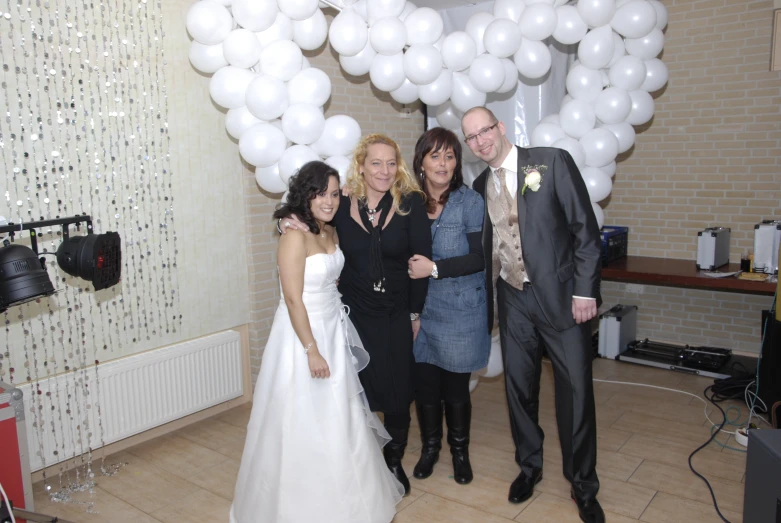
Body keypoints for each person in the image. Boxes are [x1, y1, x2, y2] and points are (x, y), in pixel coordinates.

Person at [231, 161, 404, 523]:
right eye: (320, 193)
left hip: (333, 329)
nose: (328, 201)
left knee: (341, 414)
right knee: (302, 419)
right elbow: (293, 299)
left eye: (333, 194)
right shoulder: (293, 235)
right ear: (305, 195)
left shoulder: (329, 230)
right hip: (302, 336)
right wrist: (311, 350)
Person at [461, 107, 605, 523]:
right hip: (513, 299)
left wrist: (584, 290)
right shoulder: (478, 183)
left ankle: (583, 485)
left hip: (563, 297)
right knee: (519, 389)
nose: (480, 141)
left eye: (485, 130)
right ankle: (530, 467)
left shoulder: (551, 161)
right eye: (471, 138)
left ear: (501, 128)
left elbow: (585, 230)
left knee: (575, 392)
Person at [279, 134, 432, 495]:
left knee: (398, 391)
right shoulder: (344, 200)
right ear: (361, 165)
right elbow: (309, 218)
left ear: (399, 167)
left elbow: (420, 262)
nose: (384, 170)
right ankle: (362, 458)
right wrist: (286, 221)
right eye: (375, 162)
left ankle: (394, 458)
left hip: (396, 312)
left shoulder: (411, 203)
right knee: (356, 391)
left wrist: (415, 313)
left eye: (391, 163)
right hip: (352, 314)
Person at [406, 127, 490, 486]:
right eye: (434, 155)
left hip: (460, 310)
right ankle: (430, 449)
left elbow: (478, 258)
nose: (443, 163)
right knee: (425, 388)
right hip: (420, 311)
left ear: (457, 163)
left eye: (450, 155)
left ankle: (459, 452)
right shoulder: (407, 202)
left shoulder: (470, 202)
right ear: (421, 162)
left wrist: (435, 268)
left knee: (455, 391)